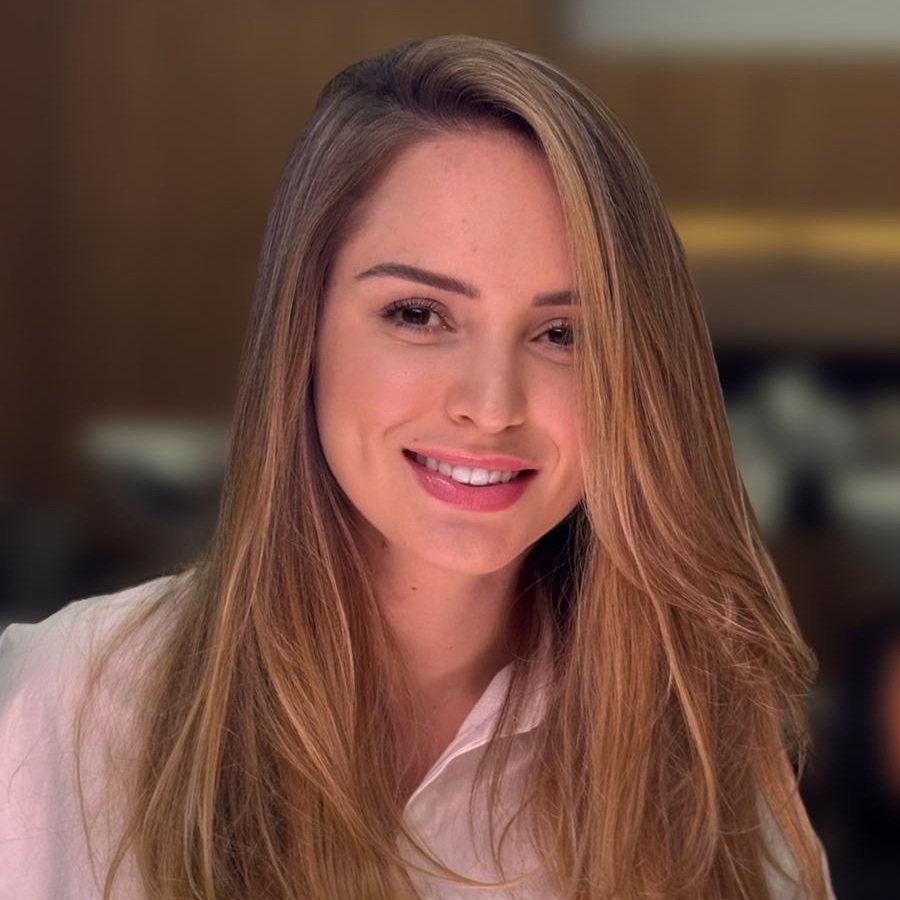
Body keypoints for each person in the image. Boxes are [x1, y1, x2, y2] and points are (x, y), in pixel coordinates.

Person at [0, 33, 836, 899]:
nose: (492, 403)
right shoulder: (63, 709)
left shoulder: (701, 754)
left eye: (562, 333)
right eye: (418, 314)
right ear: (303, 330)